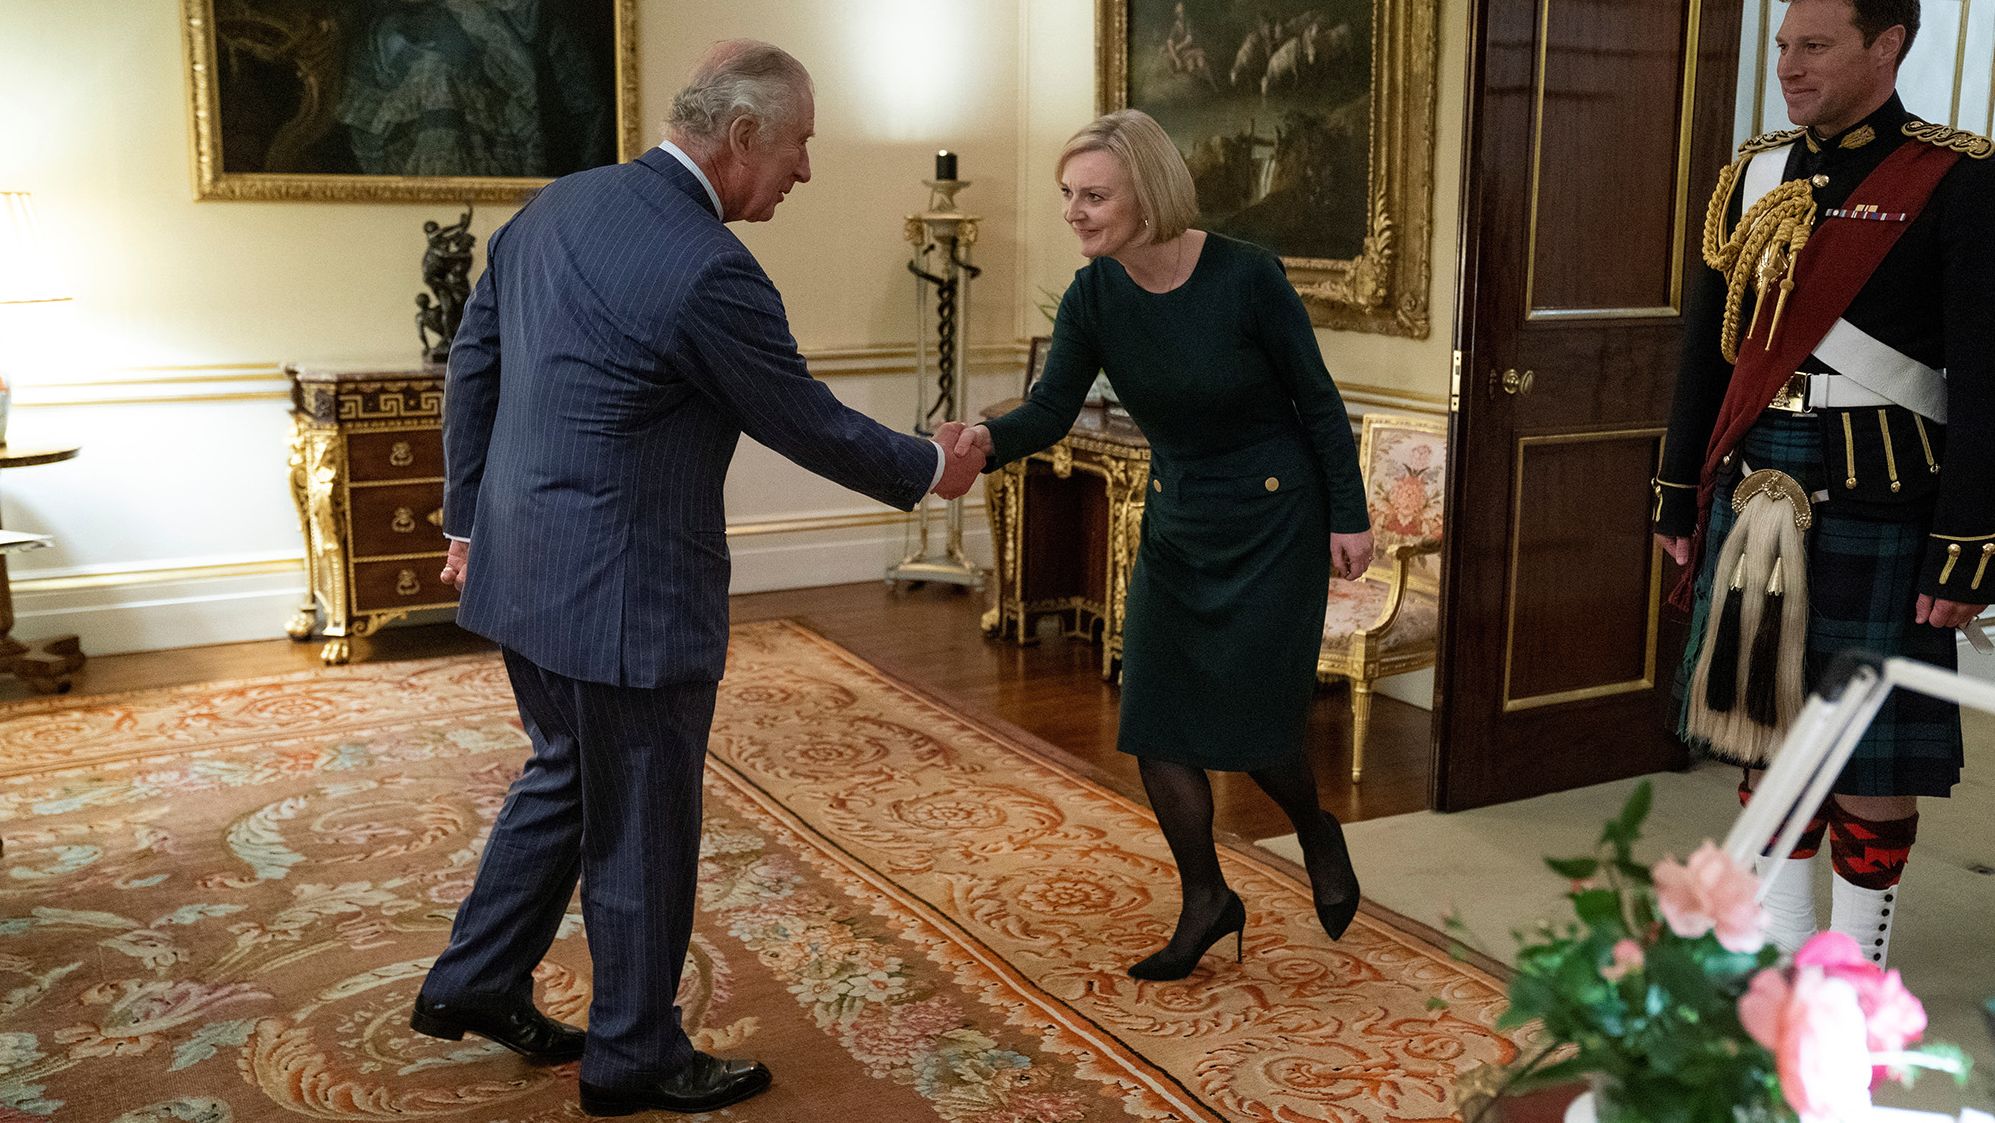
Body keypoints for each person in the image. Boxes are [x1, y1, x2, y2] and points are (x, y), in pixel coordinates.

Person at [411, 40, 984, 1117]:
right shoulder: (710, 268)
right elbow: (804, 419)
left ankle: (477, 978)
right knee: (640, 820)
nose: (806, 172)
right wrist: (933, 467)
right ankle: (634, 1056)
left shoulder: (556, 208)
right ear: (744, 137)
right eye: (802, 145)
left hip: (524, 572)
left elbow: (474, 363)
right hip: (627, 598)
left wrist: (467, 519)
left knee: (565, 776)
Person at [953, 109, 1373, 981]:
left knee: (1258, 732)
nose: (1073, 211)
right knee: (1156, 720)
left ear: (1147, 194)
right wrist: (980, 442)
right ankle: (1206, 897)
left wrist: (1350, 513)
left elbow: (1318, 403)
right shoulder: (1093, 295)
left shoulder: (1247, 277)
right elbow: (1049, 411)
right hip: (1179, 520)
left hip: (1273, 519)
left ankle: (1314, 828)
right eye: (1067, 194)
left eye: (1093, 195)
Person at [1653, 0, 1993, 965]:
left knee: (1872, 750)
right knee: (1762, 724)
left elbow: (1983, 378)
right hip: (1758, 485)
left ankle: (1852, 966)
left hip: (1883, 494)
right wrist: (1677, 488)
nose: (1788, 66)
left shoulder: (1956, 180)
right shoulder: (1755, 173)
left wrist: (1966, 545)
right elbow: (1708, 349)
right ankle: (1784, 940)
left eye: (1814, 46)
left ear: (1885, 47)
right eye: (1782, 45)